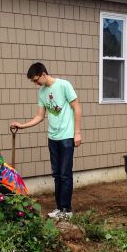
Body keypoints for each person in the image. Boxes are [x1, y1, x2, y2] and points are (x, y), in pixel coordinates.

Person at [10, 63, 82, 220]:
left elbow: (77, 108)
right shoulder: (42, 92)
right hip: (53, 138)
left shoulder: (64, 85)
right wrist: (22, 125)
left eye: (36, 80)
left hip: (67, 137)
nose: (36, 84)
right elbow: (40, 116)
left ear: (43, 74)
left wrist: (77, 133)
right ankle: (59, 208)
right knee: (56, 174)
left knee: (65, 174)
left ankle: (67, 210)